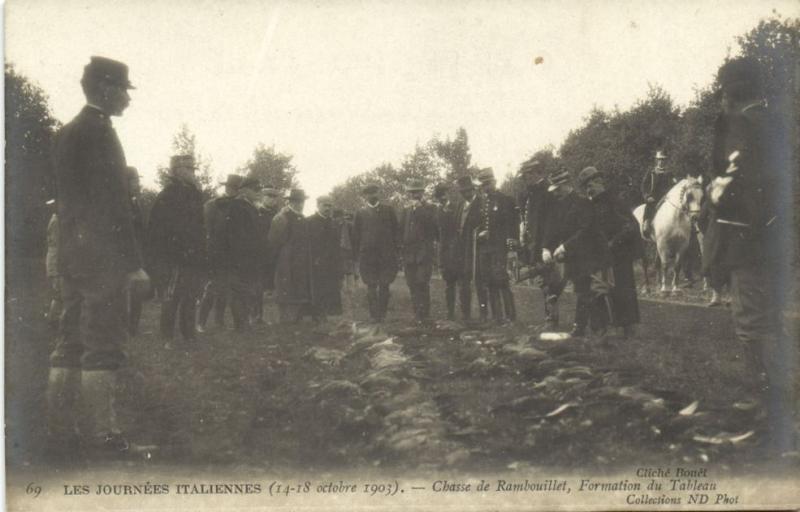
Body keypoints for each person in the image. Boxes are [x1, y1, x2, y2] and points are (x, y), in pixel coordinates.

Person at [47, 56, 152, 460]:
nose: (127, 98)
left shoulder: (66, 132)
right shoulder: (101, 133)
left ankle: (60, 431)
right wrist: (132, 262)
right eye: (124, 89)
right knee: (103, 345)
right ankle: (102, 437)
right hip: (103, 260)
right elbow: (113, 208)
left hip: (73, 254)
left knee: (68, 341)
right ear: (106, 89)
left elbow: (68, 203)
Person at [707, 56, 795, 456]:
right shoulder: (777, 122)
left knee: (750, 321)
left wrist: (714, 192)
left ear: (731, 91)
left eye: (724, 89)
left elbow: (734, 175)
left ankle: (768, 404)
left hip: (747, 240)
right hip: (775, 239)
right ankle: (776, 400)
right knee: (770, 319)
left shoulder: (741, 123)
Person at [147, 154, 206, 348]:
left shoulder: (196, 194)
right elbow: (157, 228)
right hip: (174, 256)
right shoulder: (168, 194)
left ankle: (189, 334)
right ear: (177, 171)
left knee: (190, 296)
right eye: (188, 169)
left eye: (192, 169)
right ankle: (167, 337)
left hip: (193, 255)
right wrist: (169, 254)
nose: (192, 173)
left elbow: (199, 226)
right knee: (172, 297)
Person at [543, 169, 611, 338]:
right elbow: (552, 229)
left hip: (590, 253)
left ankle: (597, 327)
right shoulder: (558, 204)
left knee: (591, 292)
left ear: (566, 185)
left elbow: (585, 230)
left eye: (558, 189)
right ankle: (584, 327)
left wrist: (564, 247)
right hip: (573, 255)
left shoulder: (582, 203)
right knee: (582, 290)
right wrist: (545, 248)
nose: (556, 193)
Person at [579, 166, 641, 338]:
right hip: (603, 256)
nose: (589, 189)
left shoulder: (615, 201)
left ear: (600, 182)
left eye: (591, 184)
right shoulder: (592, 205)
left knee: (623, 291)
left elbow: (630, 227)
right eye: (586, 186)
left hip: (620, 254)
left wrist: (613, 242)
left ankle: (627, 329)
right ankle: (610, 328)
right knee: (605, 290)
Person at [518, 158, 562, 329]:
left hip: (546, 244)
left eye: (527, 175)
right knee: (542, 282)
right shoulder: (531, 193)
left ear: (536, 173)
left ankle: (552, 320)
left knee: (549, 283)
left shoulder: (547, 191)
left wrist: (546, 247)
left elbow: (551, 222)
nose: (525, 179)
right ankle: (549, 318)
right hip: (533, 245)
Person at [197, 174, 242, 331]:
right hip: (216, 252)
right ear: (226, 188)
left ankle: (219, 321)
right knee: (213, 287)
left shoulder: (240, 206)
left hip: (233, 254)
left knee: (228, 288)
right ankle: (200, 322)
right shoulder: (213, 205)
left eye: (236, 189)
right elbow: (206, 229)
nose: (233, 191)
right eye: (230, 188)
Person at [475, 168, 519, 324]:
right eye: (483, 184)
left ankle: (510, 316)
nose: (485, 187)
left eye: (488, 183)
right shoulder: (481, 202)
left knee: (502, 281)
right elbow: (478, 224)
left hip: (499, 248)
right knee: (489, 281)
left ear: (494, 182)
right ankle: (497, 317)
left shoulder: (505, 200)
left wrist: (511, 248)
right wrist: (481, 233)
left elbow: (511, 225)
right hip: (485, 249)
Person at [352, 184, 399, 323]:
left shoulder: (388, 210)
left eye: (375, 192)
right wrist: (358, 255)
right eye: (369, 193)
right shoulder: (360, 213)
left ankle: (382, 315)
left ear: (379, 193)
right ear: (365, 196)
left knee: (385, 285)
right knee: (371, 286)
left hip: (386, 256)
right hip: (367, 256)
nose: (372, 196)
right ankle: (374, 316)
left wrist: (395, 252)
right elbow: (356, 236)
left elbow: (396, 231)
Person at [224, 177, 263, 330]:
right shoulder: (237, 206)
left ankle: (244, 321)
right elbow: (237, 235)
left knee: (247, 289)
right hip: (240, 257)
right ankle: (240, 323)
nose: (258, 193)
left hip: (249, 256)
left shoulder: (249, 206)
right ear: (245, 190)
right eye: (255, 190)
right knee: (239, 290)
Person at [269, 188, 313, 323]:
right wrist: (279, 258)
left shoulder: (303, 218)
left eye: (302, 201)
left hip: (301, 259)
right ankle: (285, 318)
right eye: (297, 202)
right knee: (286, 287)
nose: (301, 204)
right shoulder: (282, 217)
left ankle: (297, 317)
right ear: (291, 202)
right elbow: (274, 241)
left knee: (299, 286)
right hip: (286, 259)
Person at [399, 180, 438, 324]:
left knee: (422, 282)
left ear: (422, 192)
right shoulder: (406, 210)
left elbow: (433, 226)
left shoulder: (431, 208)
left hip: (424, 253)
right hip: (409, 253)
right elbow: (401, 230)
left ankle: (425, 314)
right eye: (412, 192)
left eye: (417, 192)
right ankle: (417, 314)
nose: (414, 195)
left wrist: (420, 208)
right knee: (412, 284)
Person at [306, 196, 344, 321]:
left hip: (332, 262)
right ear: (318, 206)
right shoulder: (309, 222)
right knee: (317, 290)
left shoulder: (333, 223)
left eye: (329, 205)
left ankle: (328, 315)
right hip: (315, 262)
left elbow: (337, 244)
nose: (328, 208)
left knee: (331, 289)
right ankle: (317, 316)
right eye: (324, 205)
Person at [434, 183, 466, 321]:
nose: (442, 198)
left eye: (444, 194)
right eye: (439, 196)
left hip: (459, 251)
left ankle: (466, 313)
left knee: (463, 284)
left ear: (448, 194)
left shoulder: (457, 207)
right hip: (445, 252)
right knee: (449, 285)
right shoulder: (437, 211)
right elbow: (438, 234)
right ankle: (450, 313)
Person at [252, 187, 283, 324]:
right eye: (269, 196)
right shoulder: (257, 213)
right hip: (260, 254)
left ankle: (269, 316)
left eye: (274, 197)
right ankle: (255, 315)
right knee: (258, 285)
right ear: (262, 197)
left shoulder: (278, 214)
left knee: (271, 286)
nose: (272, 199)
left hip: (274, 254)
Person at [454, 175, 481, 321]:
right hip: (461, 249)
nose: (466, 194)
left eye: (468, 191)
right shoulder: (460, 205)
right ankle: (466, 314)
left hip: (476, 248)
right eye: (463, 191)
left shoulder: (481, 203)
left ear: (473, 189)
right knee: (463, 280)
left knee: (478, 280)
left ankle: (481, 315)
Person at [126, 166, 146, 336]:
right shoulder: (121, 203)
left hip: (137, 253)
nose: (138, 184)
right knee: (126, 292)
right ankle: (127, 326)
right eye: (134, 181)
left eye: (138, 181)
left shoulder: (134, 202)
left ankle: (133, 327)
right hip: (124, 255)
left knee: (137, 290)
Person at [640, 150, 676, 238]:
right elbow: (644, 185)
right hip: (654, 197)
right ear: (656, 160)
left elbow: (673, 185)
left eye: (663, 160)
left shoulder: (669, 173)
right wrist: (647, 196)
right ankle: (646, 225)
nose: (661, 161)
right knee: (649, 208)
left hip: (667, 197)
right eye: (659, 159)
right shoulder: (651, 172)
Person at [45, 201, 61, 331]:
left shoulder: (56, 219)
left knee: (59, 292)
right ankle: (53, 319)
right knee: (59, 292)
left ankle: (54, 318)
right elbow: (56, 242)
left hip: (55, 260)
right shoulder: (56, 221)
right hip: (55, 262)